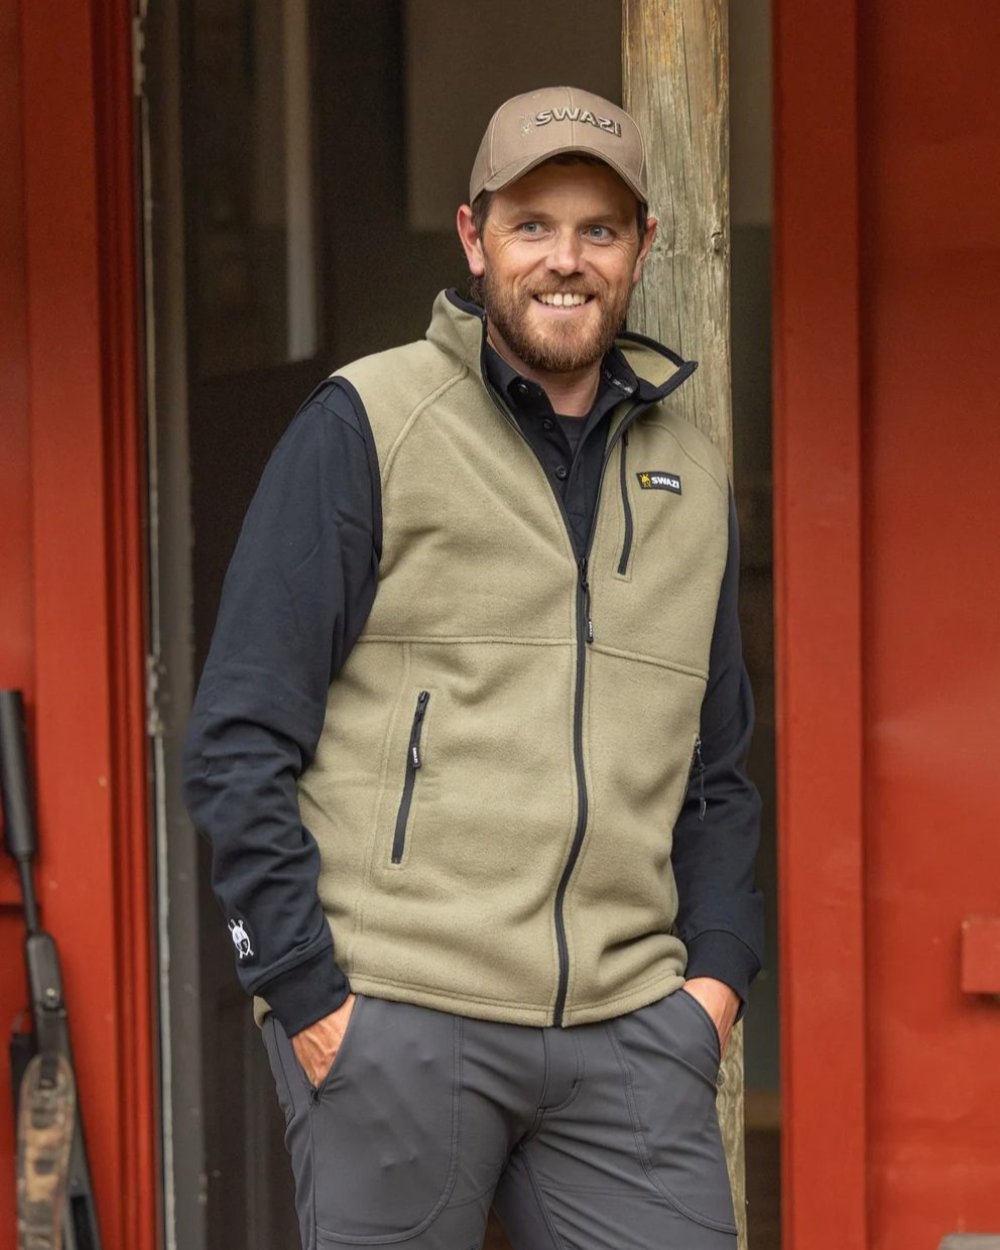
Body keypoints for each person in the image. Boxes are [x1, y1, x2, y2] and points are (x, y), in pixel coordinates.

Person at [183, 85, 763, 1250]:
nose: (564, 259)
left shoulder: (690, 472)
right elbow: (241, 734)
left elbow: (719, 771)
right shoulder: (368, 422)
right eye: (531, 223)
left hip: (630, 1033)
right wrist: (309, 993)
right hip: (399, 1017)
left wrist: (712, 984)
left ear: (641, 245)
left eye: (597, 229)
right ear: (472, 235)